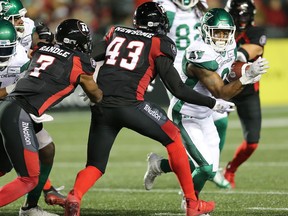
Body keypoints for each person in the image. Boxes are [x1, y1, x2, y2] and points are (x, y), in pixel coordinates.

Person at [64, 2, 237, 216]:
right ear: (162, 23)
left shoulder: (116, 31)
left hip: (101, 105)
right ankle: (192, 203)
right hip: (131, 105)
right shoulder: (160, 43)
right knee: (173, 137)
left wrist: (90, 80)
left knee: (96, 165)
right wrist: (212, 103)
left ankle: (75, 196)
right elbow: (178, 89)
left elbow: (90, 58)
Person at [142, 7, 269, 209]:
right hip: (185, 114)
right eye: (216, 32)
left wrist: (244, 69)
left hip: (205, 114)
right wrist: (246, 77)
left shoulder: (229, 48)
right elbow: (220, 91)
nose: (221, 37)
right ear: (205, 31)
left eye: (225, 33)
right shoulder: (199, 53)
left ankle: (160, 166)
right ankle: (191, 204)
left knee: (202, 165)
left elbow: (226, 74)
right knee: (206, 167)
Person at [0, 17, 102, 212]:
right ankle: (30, 206)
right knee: (28, 178)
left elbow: (42, 46)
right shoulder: (81, 62)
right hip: (20, 113)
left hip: (13, 108)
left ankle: (30, 207)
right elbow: (96, 95)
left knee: (46, 149)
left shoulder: (41, 50)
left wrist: (43, 35)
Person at [152, 0, 231, 189]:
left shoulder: (200, 6)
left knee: (221, 119)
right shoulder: (166, 7)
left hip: (204, 59)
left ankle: (208, 167)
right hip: (176, 66)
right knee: (189, 116)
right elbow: (153, 38)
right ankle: (203, 171)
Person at [0, 0, 67, 211]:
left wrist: (43, 45)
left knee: (45, 149)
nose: (21, 21)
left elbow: (35, 59)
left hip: (16, 105)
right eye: (15, 18)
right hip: (9, 103)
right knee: (7, 163)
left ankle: (32, 205)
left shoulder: (22, 39)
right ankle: (43, 192)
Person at [223, 0, 268, 189]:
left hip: (247, 90)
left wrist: (237, 54)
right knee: (211, 133)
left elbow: (255, 48)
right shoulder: (220, 29)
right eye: (237, 16)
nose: (241, 20)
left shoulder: (256, 32)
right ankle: (201, 169)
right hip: (221, 88)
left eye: (245, 16)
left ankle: (230, 169)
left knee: (252, 143)